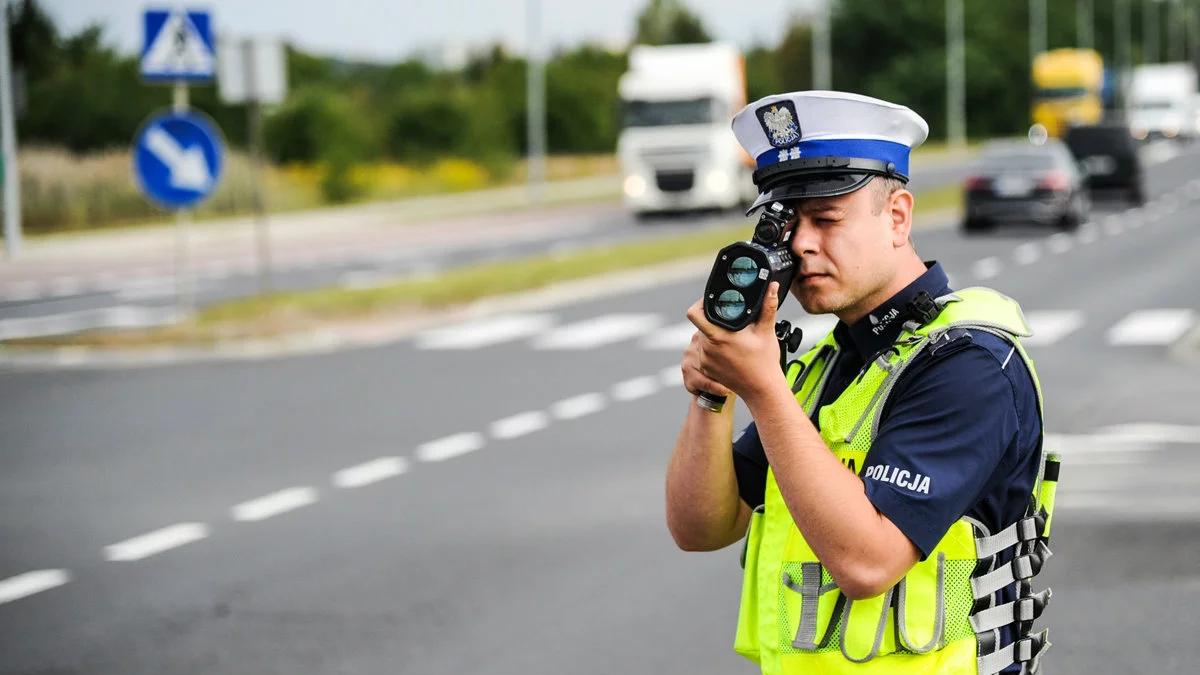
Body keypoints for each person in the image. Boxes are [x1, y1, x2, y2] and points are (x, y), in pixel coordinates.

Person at [664, 91, 1060, 675]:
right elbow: (701, 528)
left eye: (826, 220)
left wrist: (765, 390)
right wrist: (713, 392)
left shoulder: (969, 364)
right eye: (788, 226)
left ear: (897, 217)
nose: (801, 245)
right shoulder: (825, 365)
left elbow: (868, 563)